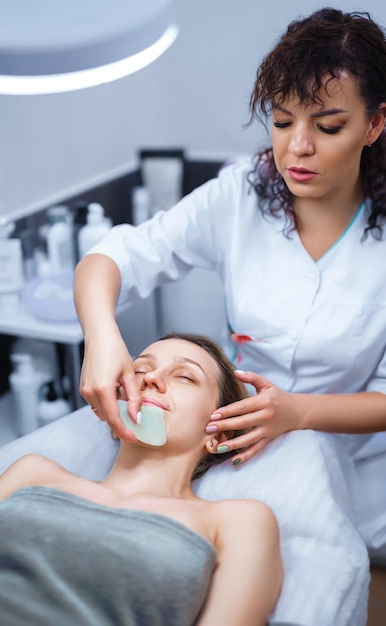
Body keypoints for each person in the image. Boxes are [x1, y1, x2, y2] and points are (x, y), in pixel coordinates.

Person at [73, 7, 386, 621]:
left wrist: (300, 412)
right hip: (230, 440)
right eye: (280, 120)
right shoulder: (240, 195)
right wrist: (102, 337)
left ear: (376, 124)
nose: (297, 147)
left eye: (328, 126)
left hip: (358, 459)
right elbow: (113, 257)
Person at [0, 333, 283, 626]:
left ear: (220, 434)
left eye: (185, 376)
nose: (150, 378)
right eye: (138, 370)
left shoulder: (235, 520)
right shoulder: (33, 472)